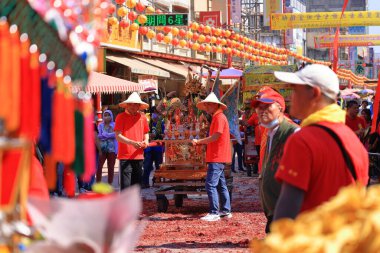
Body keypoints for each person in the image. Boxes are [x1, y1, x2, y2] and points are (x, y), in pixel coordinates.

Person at [273, 64, 369, 222]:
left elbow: (286, 214)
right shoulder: (353, 140)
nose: (290, 97)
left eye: (295, 90)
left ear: (315, 93)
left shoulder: (302, 140)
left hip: (312, 242)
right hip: (347, 241)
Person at [251, 88, 298, 233]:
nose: (261, 110)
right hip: (274, 209)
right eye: (259, 107)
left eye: (267, 106)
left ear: (280, 107)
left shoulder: (293, 132)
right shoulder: (270, 132)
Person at [192, 92, 232, 222]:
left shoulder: (219, 117)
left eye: (208, 105)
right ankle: (225, 211)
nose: (207, 107)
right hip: (218, 155)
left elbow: (216, 136)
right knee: (221, 185)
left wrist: (199, 141)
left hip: (217, 156)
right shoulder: (218, 117)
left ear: (215, 105)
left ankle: (214, 212)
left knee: (210, 184)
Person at [114, 92, 149, 190]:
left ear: (139, 106)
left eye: (136, 104)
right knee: (126, 187)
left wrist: (146, 141)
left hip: (139, 155)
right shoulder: (120, 117)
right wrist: (132, 143)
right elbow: (118, 136)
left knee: (137, 187)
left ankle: (135, 205)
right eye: (131, 104)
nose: (133, 106)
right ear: (127, 105)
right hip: (125, 156)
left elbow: (146, 132)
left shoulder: (143, 117)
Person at [142, 112, 164, 188]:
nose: (155, 116)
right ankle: (145, 182)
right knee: (147, 165)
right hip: (149, 148)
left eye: (157, 114)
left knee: (158, 166)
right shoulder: (148, 124)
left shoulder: (162, 124)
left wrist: (157, 135)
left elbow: (165, 135)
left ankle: (156, 181)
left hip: (158, 148)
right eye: (153, 114)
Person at [96, 110, 118, 185]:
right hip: (102, 149)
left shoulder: (114, 124)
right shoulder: (100, 125)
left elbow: (115, 134)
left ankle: (109, 184)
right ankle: (98, 183)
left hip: (112, 149)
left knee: (111, 167)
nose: (107, 117)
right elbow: (99, 136)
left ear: (111, 116)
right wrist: (109, 135)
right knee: (99, 166)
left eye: (108, 115)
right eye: (105, 115)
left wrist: (105, 135)